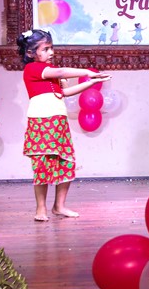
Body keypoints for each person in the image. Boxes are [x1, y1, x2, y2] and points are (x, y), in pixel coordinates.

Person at [17, 29, 111, 221]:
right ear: (31, 53)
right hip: (42, 122)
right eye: (46, 49)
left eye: (51, 48)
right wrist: (87, 71)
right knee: (42, 164)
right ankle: (41, 209)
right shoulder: (33, 68)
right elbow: (60, 72)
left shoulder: (50, 71)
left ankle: (59, 206)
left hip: (58, 123)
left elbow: (65, 92)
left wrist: (92, 81)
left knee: (65, 163)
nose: (51, 52)